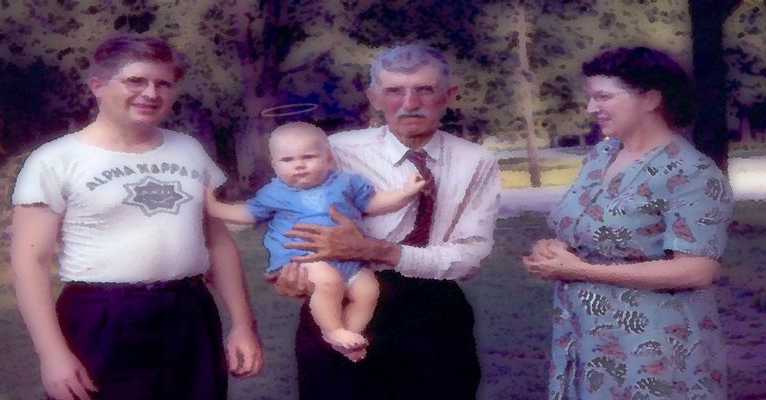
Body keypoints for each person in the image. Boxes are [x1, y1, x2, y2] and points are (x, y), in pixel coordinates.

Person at [10, 34, 262, 400]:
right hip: (102, 319)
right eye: (135, 80)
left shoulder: (189, 151)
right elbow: (28, 262)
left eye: (164, 83)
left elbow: (217, 241)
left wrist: (242, 324)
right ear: (97, 85)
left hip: (189, 313)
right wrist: (52, 354)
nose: (151, 93)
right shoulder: (55, 160)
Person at [272, 44, 503, 399]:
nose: (409, 103)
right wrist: (293, 274)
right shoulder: (336, 152)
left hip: (434, 308)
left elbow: (470, 257)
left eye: (424, 89)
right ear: (374, 98)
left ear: (449, 95)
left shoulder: (475, 161)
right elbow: (293, 217)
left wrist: (379, 250)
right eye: (394, 91)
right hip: (345, 305)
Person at [522, 47, 734, 399]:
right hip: (585, 337)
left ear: (650, 98)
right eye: (591, 97)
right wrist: (555, 248)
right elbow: (586, 229)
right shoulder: (600, 156)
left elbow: (697, 270)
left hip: (655, 345)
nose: (591, 108)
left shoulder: (692, 173)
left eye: (603, 96)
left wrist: (582, 271)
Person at [205, 121, 426, 358]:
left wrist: (404, 194)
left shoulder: (345, 182)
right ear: (275, 165)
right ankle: (332, 330)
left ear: (328, 159)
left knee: (369, 291)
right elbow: (246, 213)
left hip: (349, 258)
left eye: (308, 157)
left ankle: (350, 336)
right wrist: (214, 206)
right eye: (287, 160)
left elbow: (374, 203)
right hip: (301, 257)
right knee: (328, 282)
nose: (299, 165)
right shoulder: (276, 193)